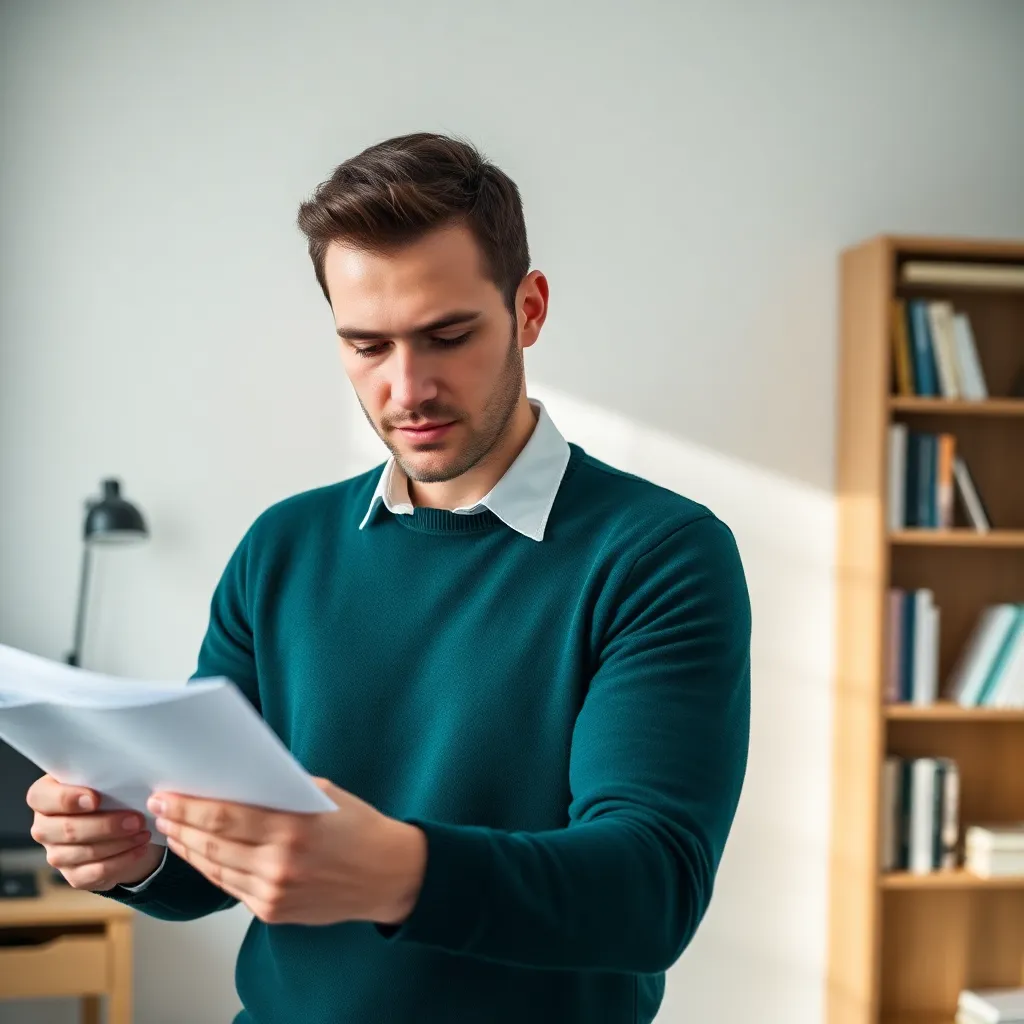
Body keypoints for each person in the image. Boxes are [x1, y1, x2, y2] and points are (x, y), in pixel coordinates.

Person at [26, 132, 751, 1024]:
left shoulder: (659, 554)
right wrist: (132, 852)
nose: (407, 388)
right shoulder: (282, 547)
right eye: (367, 346)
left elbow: (650, 892)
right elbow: (217, 853)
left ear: (528, 310)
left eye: (446, 336)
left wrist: (397, 872)